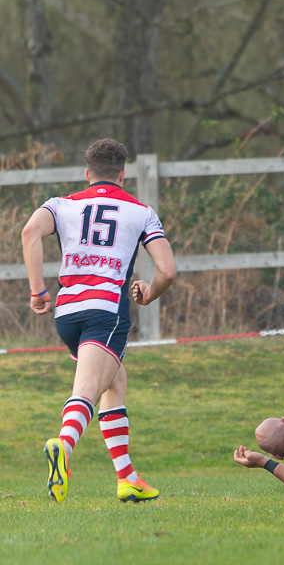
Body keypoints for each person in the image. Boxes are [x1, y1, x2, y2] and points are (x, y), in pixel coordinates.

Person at [23, 138, 177, 503]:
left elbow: (29, 232)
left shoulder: (60, 205)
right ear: (123, 174)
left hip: (67, 314)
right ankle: (63, 444)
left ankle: (127, 478)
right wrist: (148, 293)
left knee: (114, 380)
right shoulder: (141, 211)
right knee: (89, 390)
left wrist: (37, 292)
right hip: (105, 313)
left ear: (87, 173)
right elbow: (168, 271)